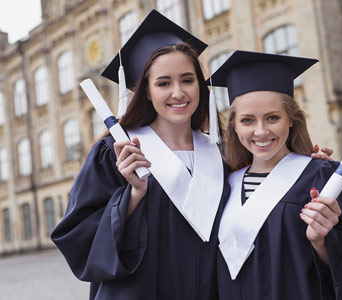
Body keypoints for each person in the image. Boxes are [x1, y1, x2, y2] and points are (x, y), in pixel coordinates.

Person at [51, 10, 230, 300]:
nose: (178, 92)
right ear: (145, 91)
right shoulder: (115, 153)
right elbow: (77, 237)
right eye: (163, 83)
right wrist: (132, 197)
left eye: (187, 80)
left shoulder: (221, 153)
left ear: (200, 85)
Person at [209, 50, 342, 300]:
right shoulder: (222, 185)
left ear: (291, 119)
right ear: (234, 126)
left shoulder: (323, 177)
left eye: (272, 118)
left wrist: (322, 241)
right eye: (247, 120)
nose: (261, 131)